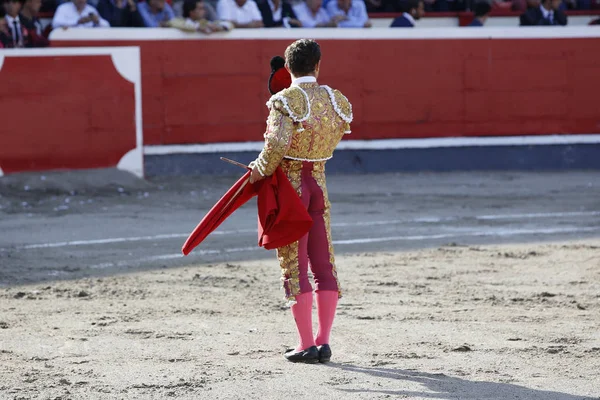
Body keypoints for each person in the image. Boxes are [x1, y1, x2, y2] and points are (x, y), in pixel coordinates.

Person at [249, 39, 352, 364]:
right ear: (318, 65)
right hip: (318, 182)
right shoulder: (336, 99)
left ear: (288, 68)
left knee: (296, 266)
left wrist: (258, 171)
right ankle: (323, 342)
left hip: (292, 188)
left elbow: (277, 145)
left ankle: (306, 344)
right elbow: (336, 133)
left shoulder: (284, 100)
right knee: (324, 264)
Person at [168, 0, 233, 32]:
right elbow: (174, 23)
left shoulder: (204, 22)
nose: (204, 11)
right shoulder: (179, 21)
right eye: (200, 9)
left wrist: (220, 27)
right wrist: (198, 27)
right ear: (192, 12)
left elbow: (229, 24)